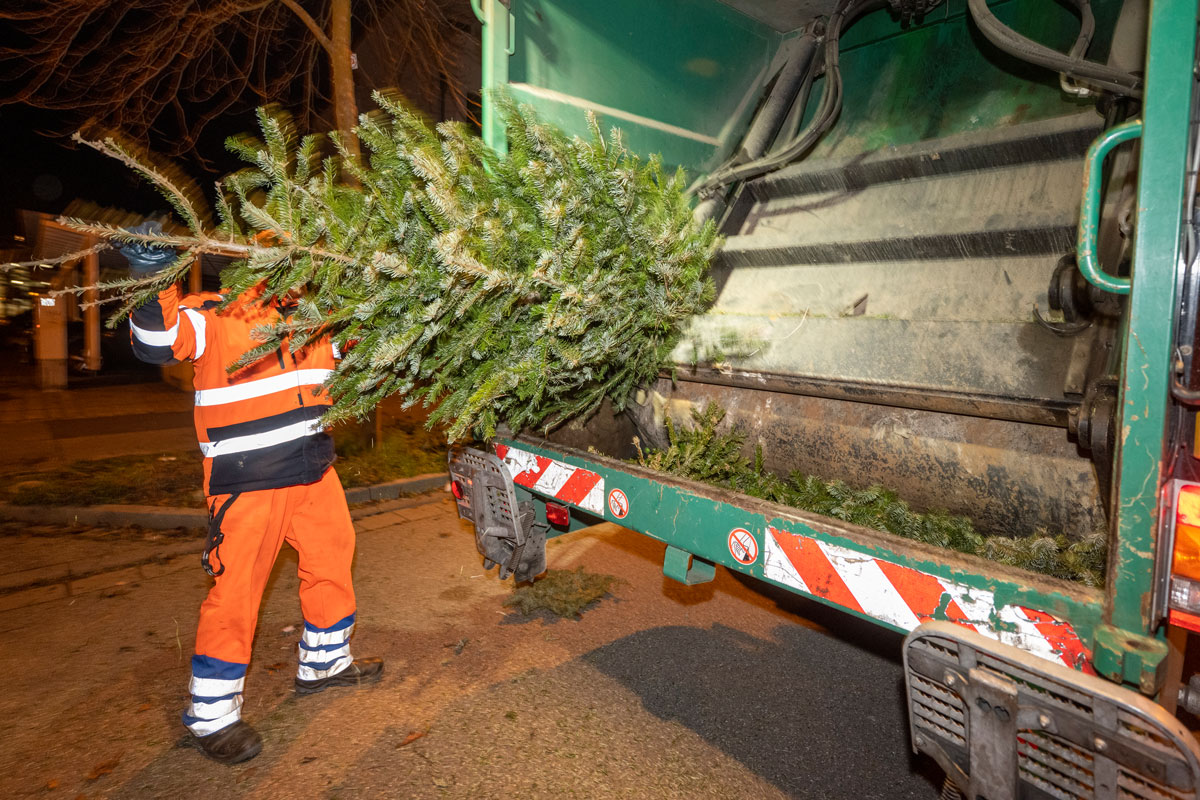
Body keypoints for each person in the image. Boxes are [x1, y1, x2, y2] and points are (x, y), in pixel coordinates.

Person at [121, 221, 383, 765]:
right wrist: (150, 279)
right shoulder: (214, 311)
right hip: (248, 480)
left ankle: (325, 664)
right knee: (236, 591)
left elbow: (365, 350)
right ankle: (212, 716)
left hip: (314, 468)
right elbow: (157, 343)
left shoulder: (314, 314)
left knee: (333, 561)